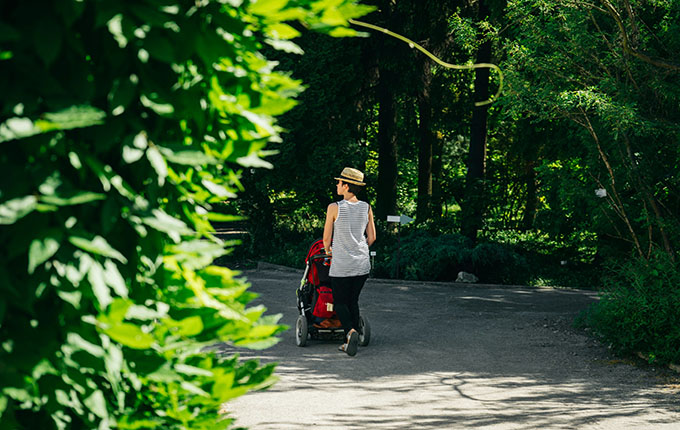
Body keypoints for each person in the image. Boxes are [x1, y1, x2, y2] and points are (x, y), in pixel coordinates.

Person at [323, 167, 376, 356]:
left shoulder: (334, 207)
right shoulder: (367, 207)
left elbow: (326, 239)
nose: (337, 185)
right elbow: (372, 237)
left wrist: (330, 251)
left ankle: (350, 334)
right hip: (362, 263)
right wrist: (359, 247)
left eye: (339, 182)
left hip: (342, 264)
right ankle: (357, 332)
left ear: (346, 186)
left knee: (339, 303)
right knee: (353, 300)